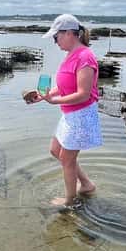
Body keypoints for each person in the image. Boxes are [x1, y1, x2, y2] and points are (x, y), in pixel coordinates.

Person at [31, 13, 102, 207]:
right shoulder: (70, 55)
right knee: (56, 150)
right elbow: (65, 85)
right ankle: (86, 184)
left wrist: (55, 101)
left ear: (71, 33)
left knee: (67, 159)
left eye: (57, 36)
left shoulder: (85, 57)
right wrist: (46, 95)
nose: (55, 41)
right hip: (69, 114)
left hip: (81, 115)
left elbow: (83, 94)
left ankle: (70, 201)